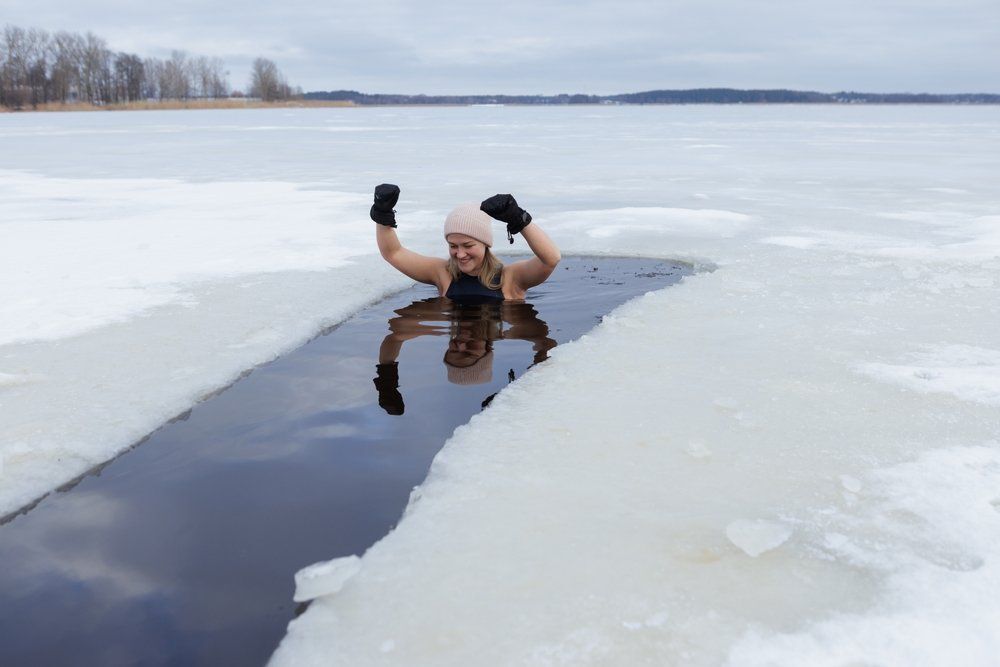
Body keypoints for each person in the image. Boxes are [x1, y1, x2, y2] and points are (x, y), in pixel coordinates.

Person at [370, 184, 561, 305]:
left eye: (468, 245)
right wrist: (382, 214)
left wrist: (519, 219)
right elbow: (393, 253)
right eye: (453, 245)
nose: (460, 254)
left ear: (486, 244)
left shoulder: (511, 278)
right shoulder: (442, 273)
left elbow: (550, 259)